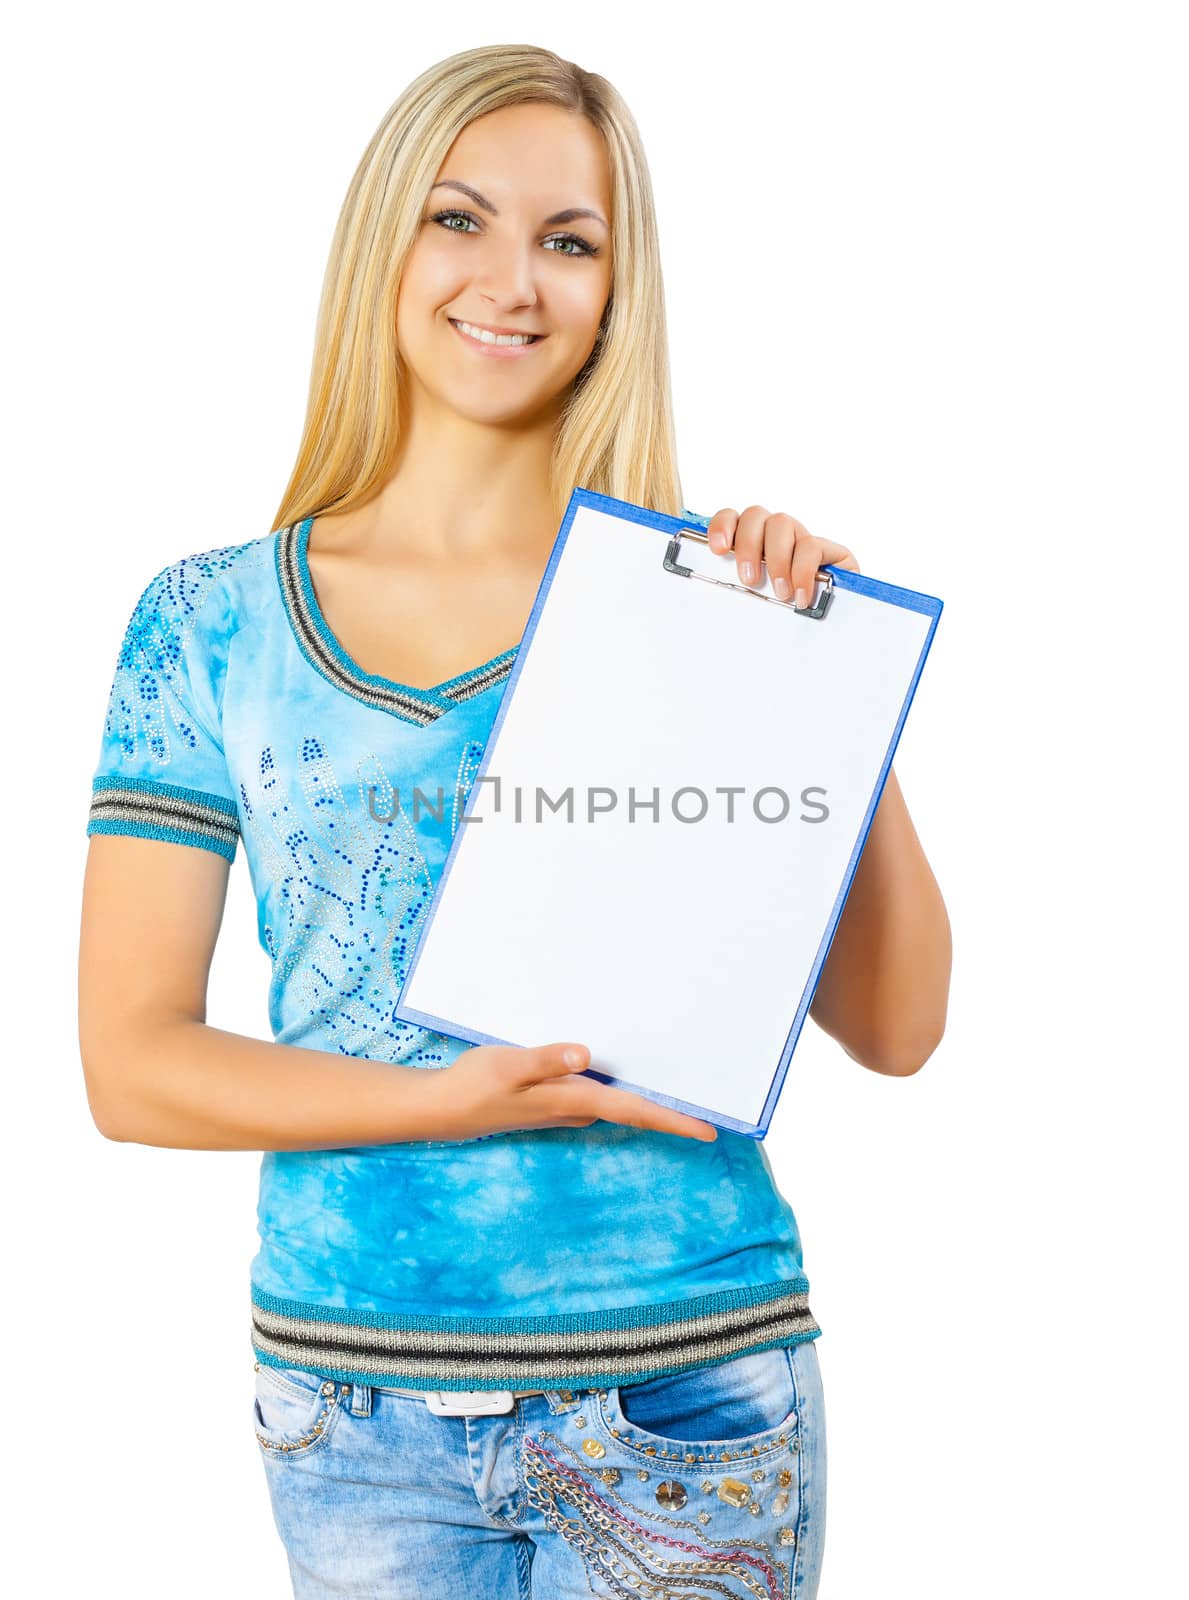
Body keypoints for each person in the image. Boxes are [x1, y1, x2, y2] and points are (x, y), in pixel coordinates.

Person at [77, 42, 951, 1600]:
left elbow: (895, 1025)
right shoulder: (209, 623)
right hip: (350, 1409)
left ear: (619, 292)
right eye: (458, 218)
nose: (511, 280)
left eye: (570, 240)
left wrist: (824, 662)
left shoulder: (700, 612)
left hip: (682, 1388)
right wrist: (452, 1102)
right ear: (384, 249)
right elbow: (132, 1068)